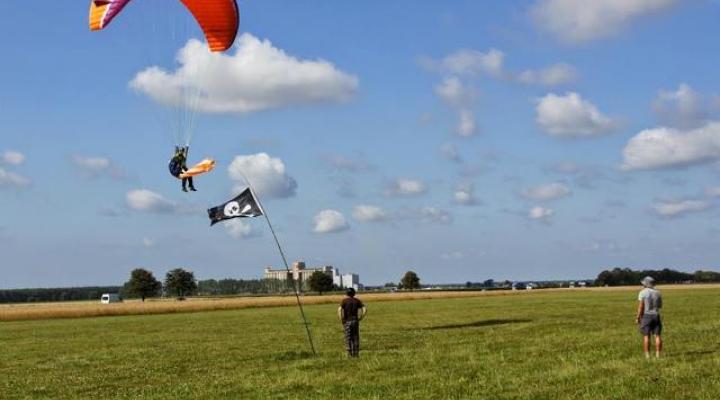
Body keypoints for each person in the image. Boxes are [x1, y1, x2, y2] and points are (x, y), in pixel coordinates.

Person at [636, 276, 663, 359]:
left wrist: (638, 317)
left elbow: (641, 307)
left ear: (645, 284)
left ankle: (647, 355)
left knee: (646, 336)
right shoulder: (658, 292)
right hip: (656, 315)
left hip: (646, 316)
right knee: (657, 336)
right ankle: (658, 354)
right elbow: (660, 306)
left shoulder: (642, 292)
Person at [337, 288, 367, 357]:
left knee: (348, 337)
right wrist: (361, 317)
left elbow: (339, 310)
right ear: (354, 293)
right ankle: (356, 353)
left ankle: (349, 353)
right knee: (355, 336)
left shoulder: (344, 301)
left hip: (347, 321)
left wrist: (341, 319)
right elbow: (365, 309)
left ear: (346, 293)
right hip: (355, 321)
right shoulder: (357, 300)